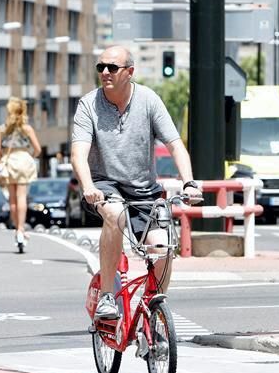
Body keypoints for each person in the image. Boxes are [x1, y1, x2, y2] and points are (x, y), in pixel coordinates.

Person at [71, 45, 202, 320]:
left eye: (112, 68)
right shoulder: (88, 105)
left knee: (163, 247)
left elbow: (176, 145)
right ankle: (107, 296)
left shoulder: (149, 100)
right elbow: (78, 155)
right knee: (115, 214)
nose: (105, 72)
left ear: (129, 72)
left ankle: (153, 312)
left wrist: (189, 182)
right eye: (100, 67)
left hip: (144, 190)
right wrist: (88, 187)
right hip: (104, 185)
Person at [0, 97, 41, 253]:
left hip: (10, 161)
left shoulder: (2, 129)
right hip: (24, 160)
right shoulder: (27, 129)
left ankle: (17, 230)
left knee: (12, 199)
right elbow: (38, 149)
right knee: (22, 197)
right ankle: (21, 229)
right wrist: (29, 157)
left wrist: (5, 158)